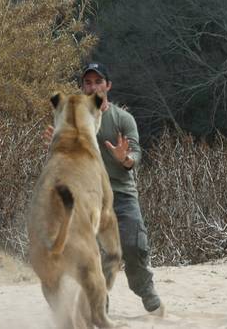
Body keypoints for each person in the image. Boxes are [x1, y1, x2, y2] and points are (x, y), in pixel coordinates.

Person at [43, 62, 164, 314]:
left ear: (108, 85)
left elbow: (136, 152)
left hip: (121, 194)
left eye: (98, 81)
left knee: (135, 246)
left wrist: (125, 158)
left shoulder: (123, 119)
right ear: (82, 87)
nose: (93, 87)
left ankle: (143, 287)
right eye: (88, 82)